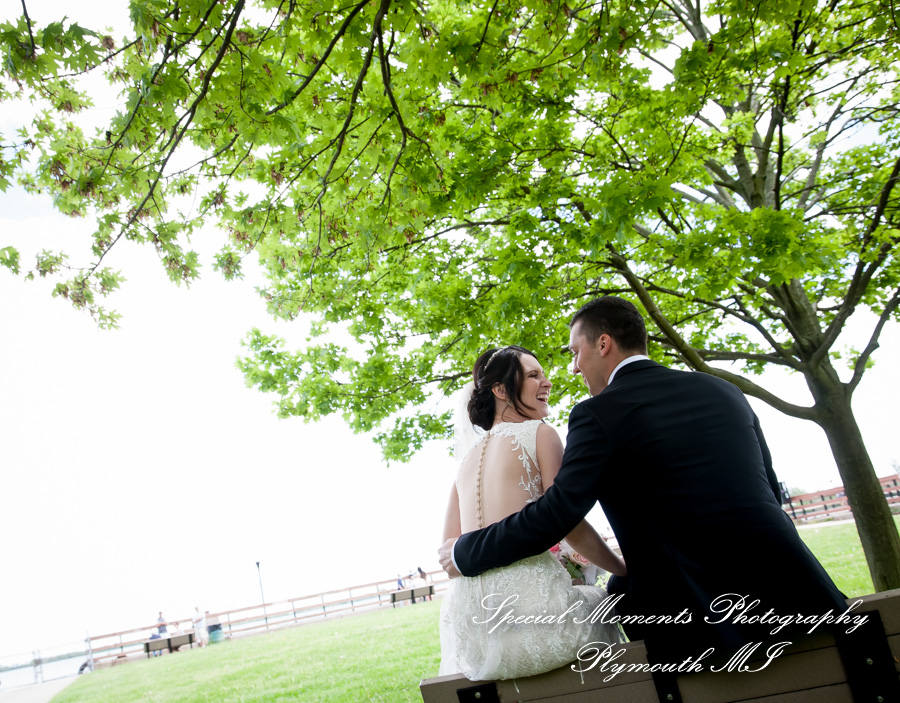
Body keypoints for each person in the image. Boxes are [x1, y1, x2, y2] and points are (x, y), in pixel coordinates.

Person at [440, 297, 847, 664]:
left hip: (695, 617)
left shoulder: (597, 414)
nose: (575, 367)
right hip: (797, 587)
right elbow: (769, 488)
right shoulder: (723, 390)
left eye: (576, 353)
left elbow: (559, 513)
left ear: (603, 345)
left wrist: (467, 552)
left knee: (618, 595)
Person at [439, 345, 626, 681]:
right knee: (604, 601)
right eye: (532, 375)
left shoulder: (464, 462)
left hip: (475, 632)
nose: (547, 381)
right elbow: (568, 523)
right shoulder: (540, 434)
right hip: (536, 617)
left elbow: (449, 556)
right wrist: (621, 568)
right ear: (500, 390)